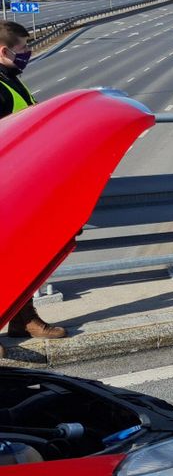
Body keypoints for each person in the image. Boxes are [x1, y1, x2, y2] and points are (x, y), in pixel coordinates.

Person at [0, 21, 67, 358]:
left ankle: (22, 318)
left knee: (19, 257)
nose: (27, 53)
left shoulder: (10, 82)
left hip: (16, 183)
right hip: (4, 182)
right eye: (24, 47)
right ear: (4, 51)